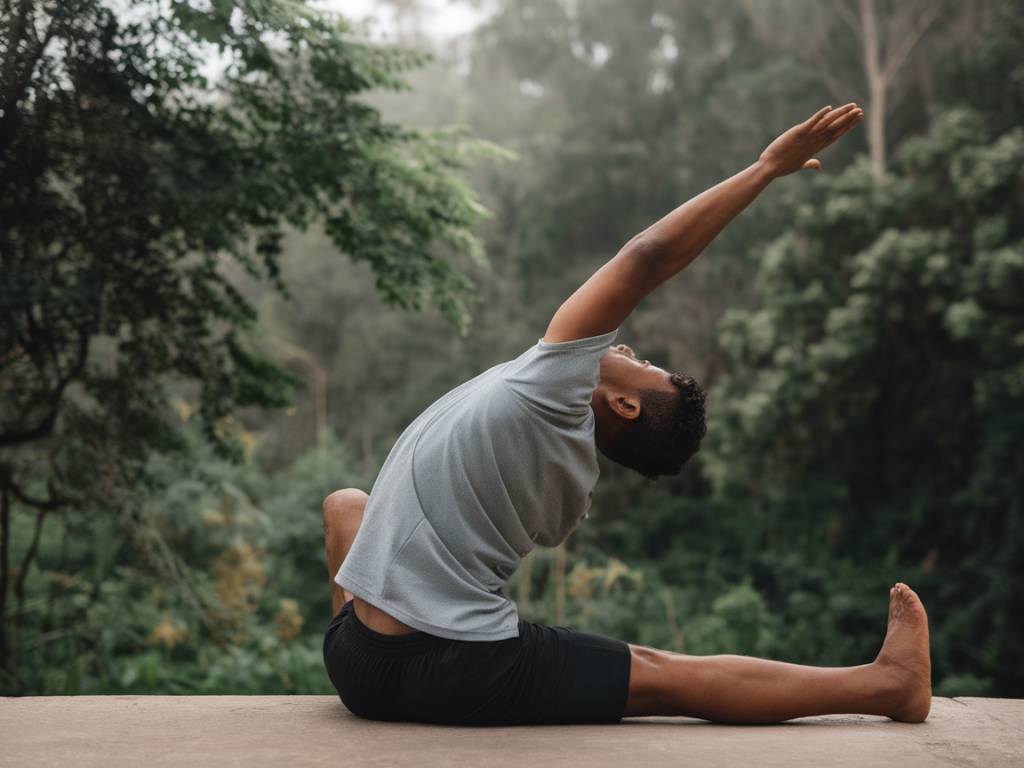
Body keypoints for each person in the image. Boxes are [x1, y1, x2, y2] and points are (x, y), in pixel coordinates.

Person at [321, 104, 932, 726]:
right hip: (426, 667)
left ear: (624, 402)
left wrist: (765, 169)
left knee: (664, 676)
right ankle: (883, 684)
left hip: (372, 668)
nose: (626, 347)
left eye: (641, 363)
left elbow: (647, 258)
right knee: (350, 506)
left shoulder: (553, 393)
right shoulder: (562, 465)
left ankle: (889, 686)